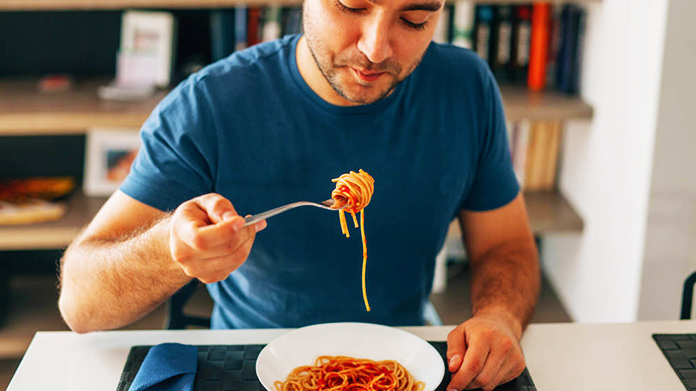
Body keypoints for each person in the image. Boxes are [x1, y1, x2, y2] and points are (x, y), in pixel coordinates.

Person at [58, 0, 540, 389]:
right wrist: (171, 250)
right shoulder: (209, 106)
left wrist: (500, 317)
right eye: (352, 7)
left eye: (414, 18)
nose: (375, 49)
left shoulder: (465, 88)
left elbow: (507, 245)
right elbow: (80, 304)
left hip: (409, 358)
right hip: (252, 362)